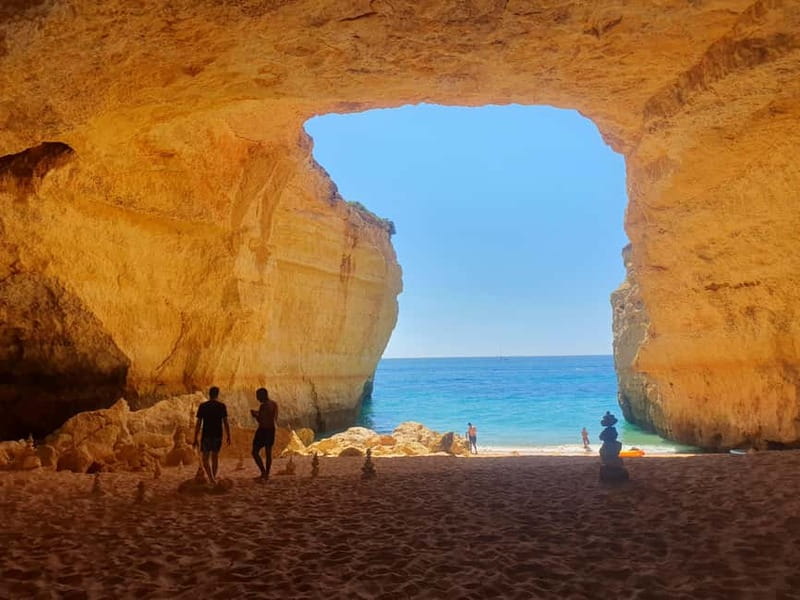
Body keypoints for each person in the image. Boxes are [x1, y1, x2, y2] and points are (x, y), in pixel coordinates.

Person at [193, 386, 231, 485]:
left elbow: (198, 423)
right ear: (217, 394)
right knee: (215, 457)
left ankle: (211, 478)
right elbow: (225, 422)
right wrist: (228, 435)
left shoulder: (203, 406)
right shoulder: (221, 406)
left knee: (205, 458)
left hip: (206, 435)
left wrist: (195, 437)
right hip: (217, 435)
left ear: (209, 394)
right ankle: (213, 478)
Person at [250, 387, 278, 481]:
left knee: (255, 452)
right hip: (271, 430)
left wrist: (255, 415)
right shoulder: (274, 404)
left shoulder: (263, 406)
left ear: (263, 395)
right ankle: (267, 474)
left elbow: (261, 420)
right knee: (268, 453)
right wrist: (258, 413)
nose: (257, 398)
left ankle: (263, 472)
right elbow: (272, 418)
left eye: (258, 396)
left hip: (263, 430)